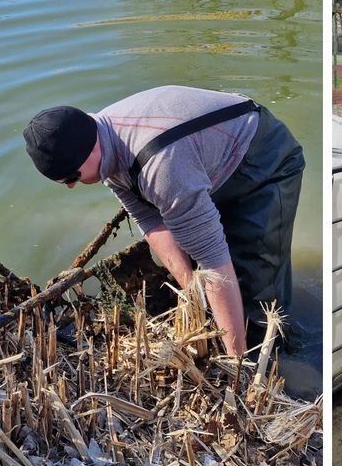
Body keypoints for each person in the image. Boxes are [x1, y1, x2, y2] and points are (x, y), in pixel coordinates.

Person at [22, 86, 304, 356]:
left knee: (258, 286)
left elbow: (215, 263)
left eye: (73, 177)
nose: (72, 186)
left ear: (88, 151)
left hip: (265, 160)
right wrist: (191, 290)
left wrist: (235, 365)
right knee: (205, 265)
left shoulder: (161, 169)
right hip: (203, 161)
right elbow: (149, 219)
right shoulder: (98, 142)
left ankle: (277, 355)